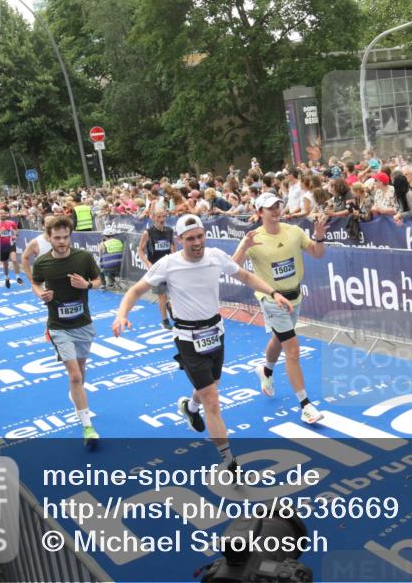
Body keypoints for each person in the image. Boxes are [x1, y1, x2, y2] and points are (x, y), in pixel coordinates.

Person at [113, 215, 293, 475]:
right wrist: (122, 315)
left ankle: (189, 406)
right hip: (187, 337)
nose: (196, 243)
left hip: (215, 332)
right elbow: (135, 291)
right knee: (212, 398)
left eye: (200, 236)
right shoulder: (168, 264)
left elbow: (245, 276)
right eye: (190, 239)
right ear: (179, 240)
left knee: (210, 387)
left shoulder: (216, 256)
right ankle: (229, 461)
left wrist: (274, 293)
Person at [232, 193, 328, 425]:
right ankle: (305, 405)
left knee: (280, 337)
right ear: (259, 213)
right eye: (269, 208)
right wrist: (244, 246)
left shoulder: (294, 232)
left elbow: (317, 253)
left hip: (295, 296)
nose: (275, 210)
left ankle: (266, 371)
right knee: (293, 350)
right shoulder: (254, 238)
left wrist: (319, 237)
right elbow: (232, 268)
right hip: (271, 300)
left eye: (277, 206)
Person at [30, 216, 102, 448]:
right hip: (58, 326)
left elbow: (99, 280)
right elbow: (35, 282)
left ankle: (76, 396)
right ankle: (88, 427)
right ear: (49, 237)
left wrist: (87, 285)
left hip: (83, 324)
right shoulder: (42, 263)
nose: (62, 242)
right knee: (74, 375)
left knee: (81, 371)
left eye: (65, 237)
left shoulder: (83, 257)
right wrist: (40, 294)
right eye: (57, 238)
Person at [138, 209, 178, 329]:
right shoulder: (148, 233)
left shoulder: (169, 231)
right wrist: (148, 263)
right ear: (153, 218)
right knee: (162, 295)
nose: (161, 219)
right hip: (156, 268)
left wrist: (174, 257)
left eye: (163, 217)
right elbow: (140, 250)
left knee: (174, 292)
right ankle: (165, 320)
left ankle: (170, 306)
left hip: (169, 267)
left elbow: (173, 244)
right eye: (159, 217)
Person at [0, 207, 22, 289]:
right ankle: (7, 278)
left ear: (6, 214)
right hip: (1, 246)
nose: (3, 214)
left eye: (4, 213)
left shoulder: (11, 222)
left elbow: (16, 230)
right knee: (5, 264)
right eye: (1, 213)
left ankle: (18, 277)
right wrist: (0, 232)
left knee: (14, 260)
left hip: (11, 244)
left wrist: (15, 235)